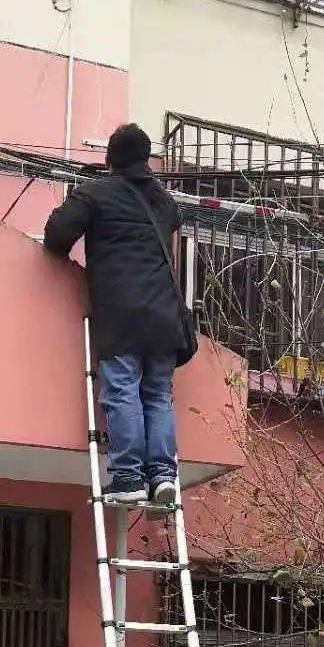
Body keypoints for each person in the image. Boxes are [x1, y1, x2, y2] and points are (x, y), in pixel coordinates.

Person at [43, 123, 186, 506]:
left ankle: (128, 477)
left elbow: (56, 236)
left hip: (122, 312)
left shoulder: (95, 193)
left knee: (123, 390)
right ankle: (163, 476)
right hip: (165, 315)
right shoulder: (165, 202)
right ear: (146, 159)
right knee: (158, 395)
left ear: (110, 159)